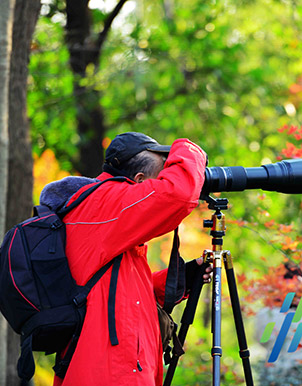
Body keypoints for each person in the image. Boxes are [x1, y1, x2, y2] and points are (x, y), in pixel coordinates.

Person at [39, 132, 210, 386]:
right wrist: (190, 149)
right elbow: (178, 195)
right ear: (139, 181)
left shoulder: (109, 218)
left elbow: (123, 298)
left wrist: (182, 278)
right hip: (105, 374)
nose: (163, 179)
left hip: (112, 370)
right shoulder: (104, 203)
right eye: (160, 175)